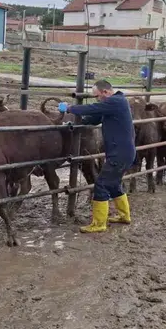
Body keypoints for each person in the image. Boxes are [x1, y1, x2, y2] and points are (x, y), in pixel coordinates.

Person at [58, 80, 136, 233]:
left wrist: (70, 108)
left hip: (119, 154)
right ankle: (124, 216)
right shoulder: (115, 104)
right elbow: (94, 118)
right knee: (113, 184)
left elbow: (92, 108)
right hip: (123, 152)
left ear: (105, 92)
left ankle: (99, 223)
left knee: (100, 184)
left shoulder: (116, 102)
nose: (97, 99)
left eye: (97, 96)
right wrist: (76, 124)